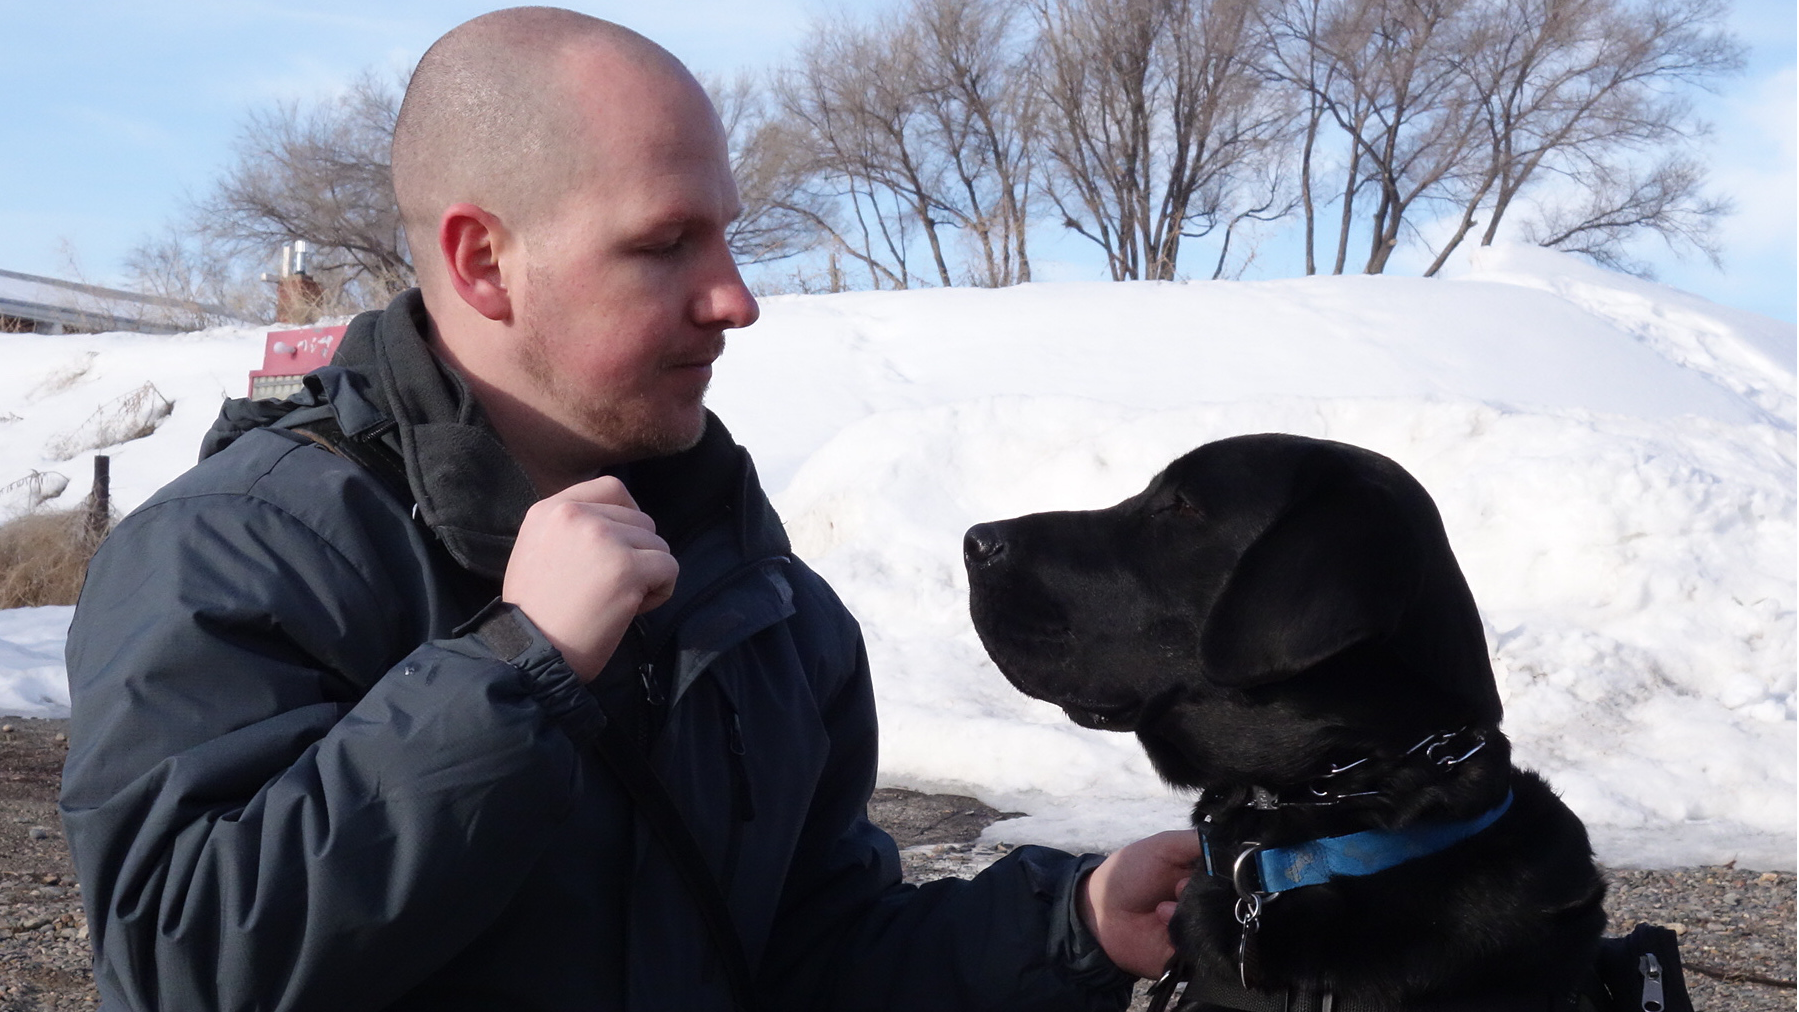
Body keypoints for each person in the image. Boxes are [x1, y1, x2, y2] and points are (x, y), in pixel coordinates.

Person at [60, 8, 1199, 1010]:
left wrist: (1074, 924)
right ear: (484, 260)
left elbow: (810, 958)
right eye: (664, 244)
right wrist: (518, 670)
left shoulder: (762, 597)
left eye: (728, 233)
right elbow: (183, 963)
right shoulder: (237, 553)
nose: (736, 298)